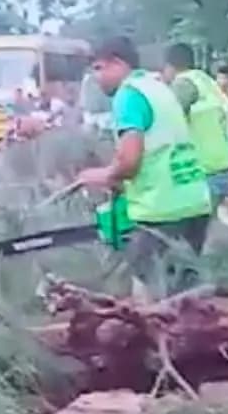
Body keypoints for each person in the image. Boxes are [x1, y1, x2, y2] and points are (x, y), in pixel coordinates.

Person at [75, 36, 212, 300]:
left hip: (160, 211)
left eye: (99, 68)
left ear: (117, 63)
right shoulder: (158, 87)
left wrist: (99, 176)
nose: (97, 77)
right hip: (193, 201)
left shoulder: (129, 95)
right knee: (185, 297)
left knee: (152, 297)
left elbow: (129, 162)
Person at [164, 43, 228, 203]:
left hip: (204, 169)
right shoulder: (206, 81)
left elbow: (167, 120)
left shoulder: (183, 84)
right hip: (224, 164)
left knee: (203, 223)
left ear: (170, 66)